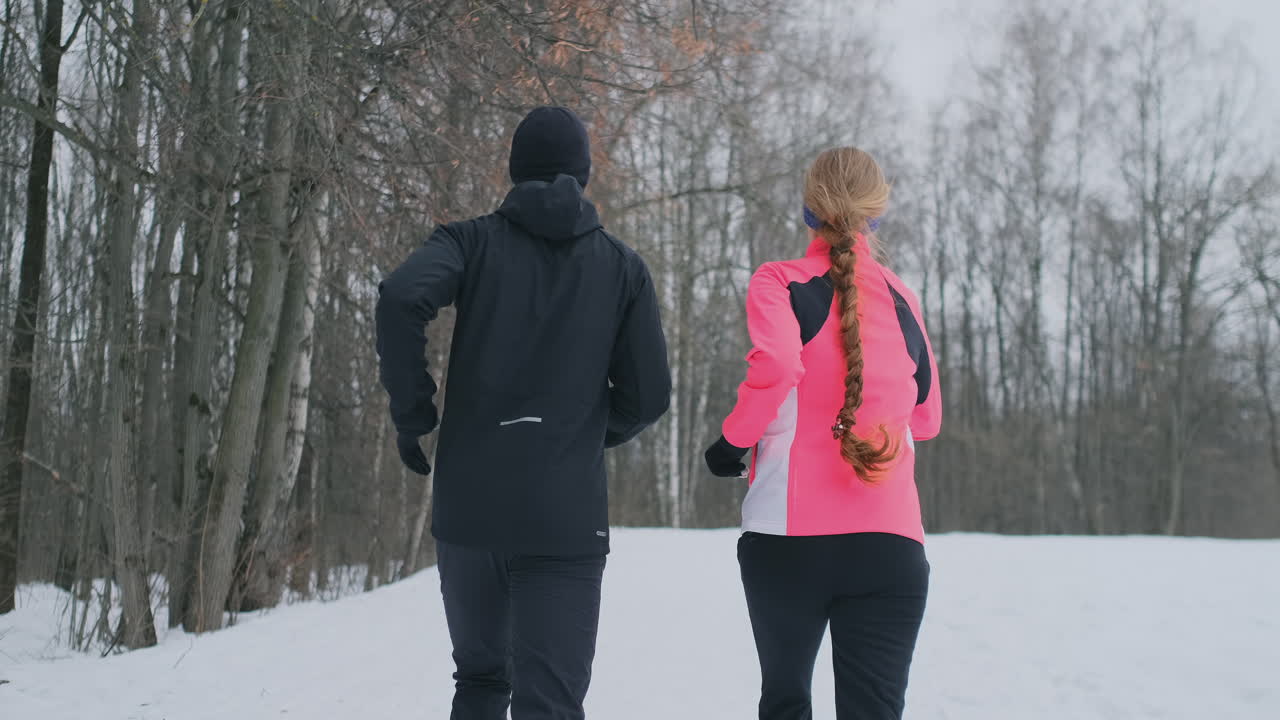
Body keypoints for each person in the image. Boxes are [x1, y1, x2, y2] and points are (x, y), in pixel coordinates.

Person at [376, 106, 672, 720]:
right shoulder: (622, 268)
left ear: (516, 170)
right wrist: (583, 433)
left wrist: (414, 414)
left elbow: (402, 297)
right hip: (565, 516)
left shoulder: (468, 241)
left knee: (481, 681)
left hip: (472, 509)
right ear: (584, 173)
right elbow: (649, 397)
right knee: (551, 706)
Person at [703, 147, 941, 720]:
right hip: (891, 544)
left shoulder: (779, 281)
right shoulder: (903, 297)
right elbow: (927, 419)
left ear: (809, 210)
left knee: (785, 703)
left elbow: (780, 365)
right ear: (875, 214)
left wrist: (732, 443)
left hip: (788, 543)